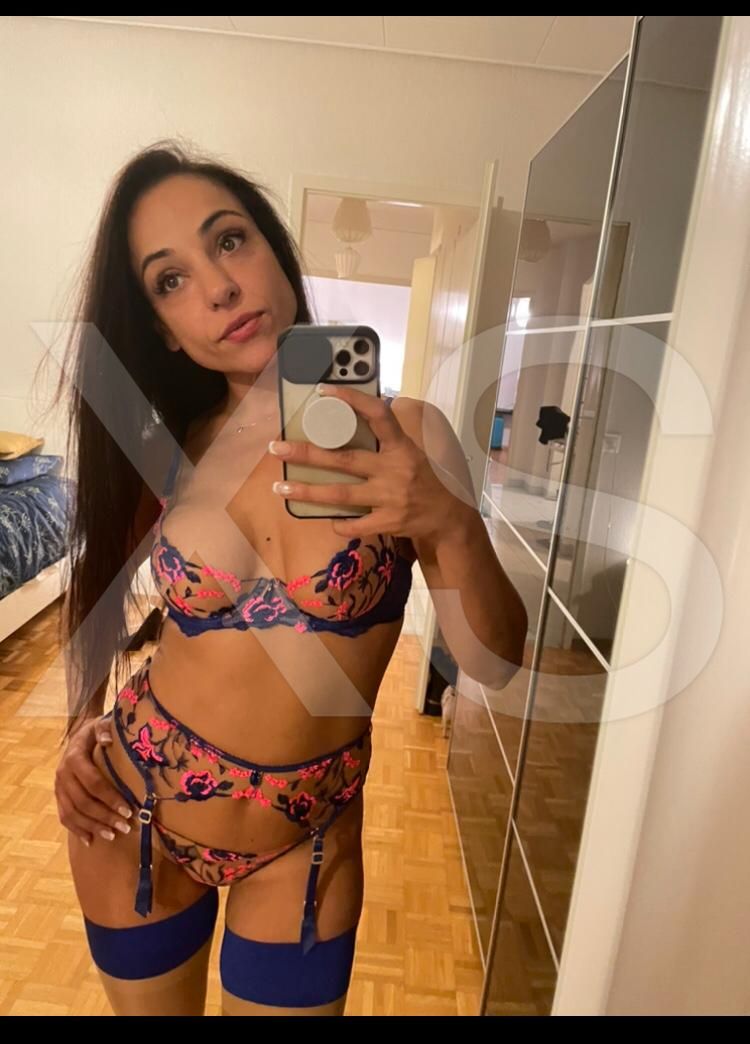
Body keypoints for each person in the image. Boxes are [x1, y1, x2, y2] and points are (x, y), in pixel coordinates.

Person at [51, 140, 528, 1016]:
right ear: (163, 329)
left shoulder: (408, 435)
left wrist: (448, 521)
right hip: (136, 815)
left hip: (305, 847)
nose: (219, 288)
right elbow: (100, 600)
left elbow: (492, 664)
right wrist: (80, 730)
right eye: (172, 280)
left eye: (229, 241)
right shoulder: (168, 445)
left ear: (274, 249)